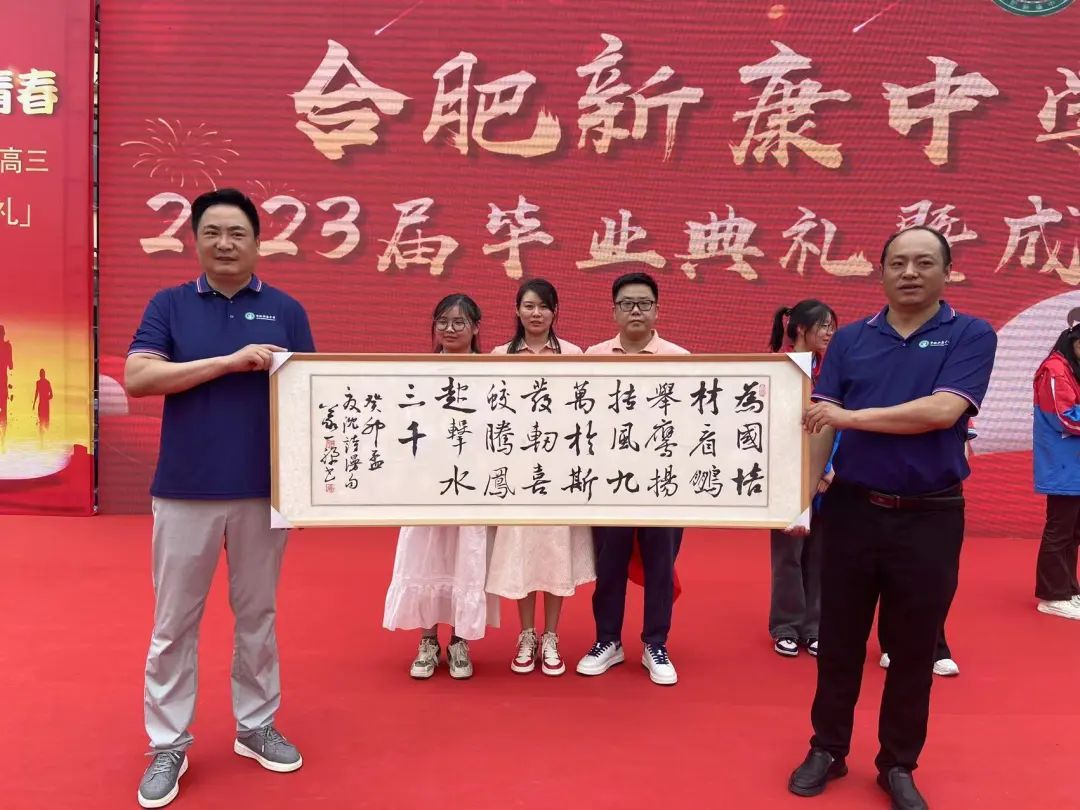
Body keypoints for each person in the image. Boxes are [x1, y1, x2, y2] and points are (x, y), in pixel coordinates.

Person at [787, 226, 997, 810]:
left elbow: (942, 411)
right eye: (898, 262)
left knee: (912, 647)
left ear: (947, 273)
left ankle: (898, 763)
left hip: (930, 516)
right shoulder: (852, 340)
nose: (909, 273)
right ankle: (827, 747)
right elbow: (820, 424)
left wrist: (850, 417)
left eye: (924, 263)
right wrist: (800, 501)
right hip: (852, 510)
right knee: (838, 640)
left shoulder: (970, 334)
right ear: (880, 272)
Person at [127, 188, 315, 809]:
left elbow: (311, 398)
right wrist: (227, 362)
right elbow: (139, 376)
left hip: (263, 493)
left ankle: (255, 724)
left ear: (258, 242)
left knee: (257, 615)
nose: (225, 244)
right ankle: (167, 742)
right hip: (186, 489)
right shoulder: (170, 304)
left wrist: (305, 493)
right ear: (196, 240)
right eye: (212, 233)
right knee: (173, 622)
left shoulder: (286, 310)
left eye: (237, 233)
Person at [575, 271, 689, 686]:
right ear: (614, 312)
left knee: (661, 564)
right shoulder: (594, 356)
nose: (635, 310)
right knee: (610, 563)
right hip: (608, 482)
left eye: (644, 303)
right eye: (627, 304)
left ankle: (655, 643)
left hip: (663, 483)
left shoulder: (680, 358)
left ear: (657, 310)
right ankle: (607, 640)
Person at [383, 293, 500, 679]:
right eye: (443, 322)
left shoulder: (491, 374)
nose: (450, 329)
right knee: (426, 556)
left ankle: (460, 641)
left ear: (476, 328)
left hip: (472, 486)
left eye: (459, 322)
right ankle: (428, 640)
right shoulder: (420, 373)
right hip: (426, 486)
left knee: (466, 559)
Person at [486, 279, 596, 676]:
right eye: (529, 306)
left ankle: (551, 635)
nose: (536, 314)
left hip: (559, 473)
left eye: (544, 307)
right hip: (517, 473)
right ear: (517, 310)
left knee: (553, 551)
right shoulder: (500, 355)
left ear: (555, 312)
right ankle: (526, 634)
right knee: (522, 552)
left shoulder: (573, 354)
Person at [767, 300, 836, 658]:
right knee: (788, 556)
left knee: (821, 555)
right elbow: (769, 427)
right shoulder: (776, 370)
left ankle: (815, 627)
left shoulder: (833, 371)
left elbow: (841, 421)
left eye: (831, 326)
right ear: (799, 329)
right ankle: (786, 626)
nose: (829, 332)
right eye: (823, 326)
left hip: (828, 481)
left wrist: (829, 468)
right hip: (786, 479)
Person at [1031, 314, 1080, 621]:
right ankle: (1051, 596)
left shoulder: (1072, 369)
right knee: (1060, 530)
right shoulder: (1055, 369)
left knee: (1073, 532)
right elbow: (1064, 417)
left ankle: (1069, 590)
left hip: (1074, 465)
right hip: (1063, 465)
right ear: (1072, 340)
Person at [32, 368, 52, 445]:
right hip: (41, 405)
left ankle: (46, 440)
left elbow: (51, 395)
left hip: (45, 405)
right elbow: (36, 393)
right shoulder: (38, 383)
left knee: (46, 423)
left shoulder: (47, 383)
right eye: (41, 374)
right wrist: (34, 403)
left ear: (44, 374)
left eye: (42, 374)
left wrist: (46, 398)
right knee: (41, 422)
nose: (41, 375)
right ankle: (41, 441)